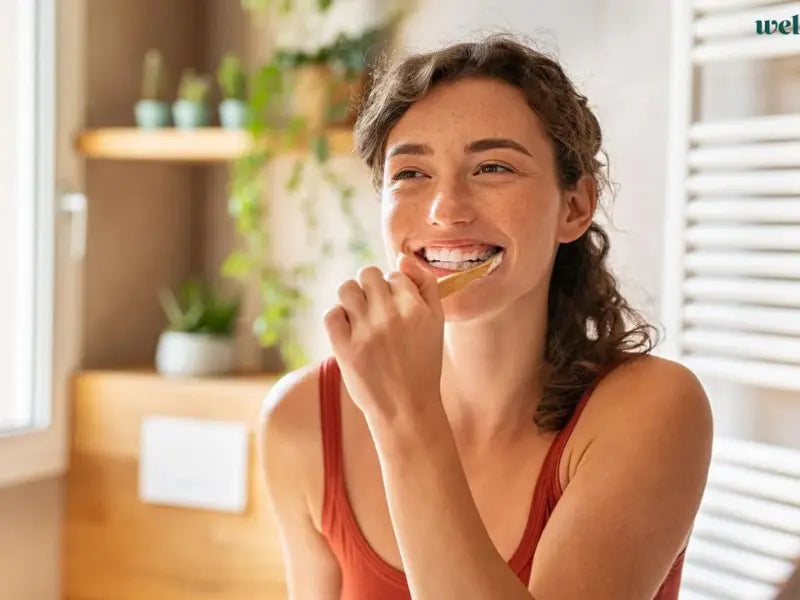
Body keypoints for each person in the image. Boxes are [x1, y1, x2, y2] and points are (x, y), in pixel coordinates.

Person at [260, 33, 713, 600]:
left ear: (574, 207)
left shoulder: (651, 410)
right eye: (410, 174)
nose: (446, 208)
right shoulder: (302, 418)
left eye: (493, 167)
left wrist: (405, 416)